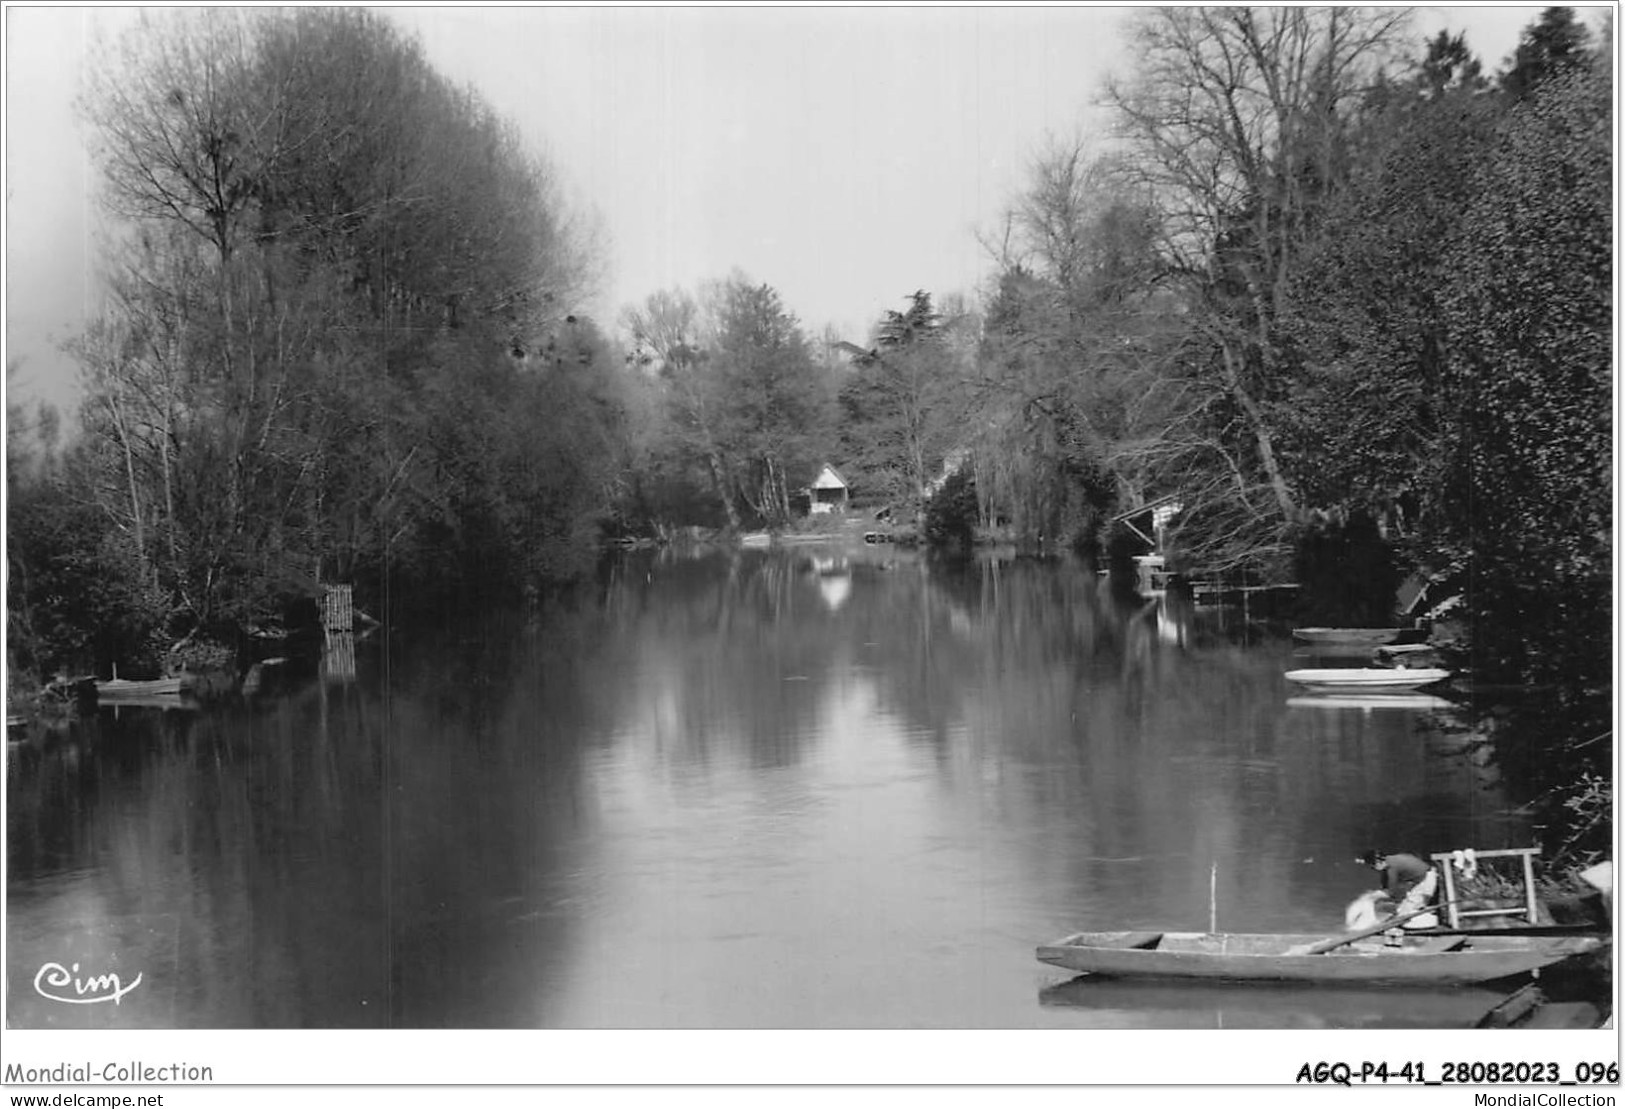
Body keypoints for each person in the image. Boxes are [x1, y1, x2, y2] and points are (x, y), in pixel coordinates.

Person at [1357, 849, 1440, 937]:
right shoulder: (1388, 861)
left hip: (1426, 879)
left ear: (1377, 863)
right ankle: (1394, 924)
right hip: (1419, 878)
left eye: (1372, 866)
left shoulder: (1392, 867)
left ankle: (1406, 932)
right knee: (1403, 907)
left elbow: (1391, 891)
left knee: (1408, 911)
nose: (1373, 869)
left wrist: (1373, 896)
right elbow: (1386, 884)